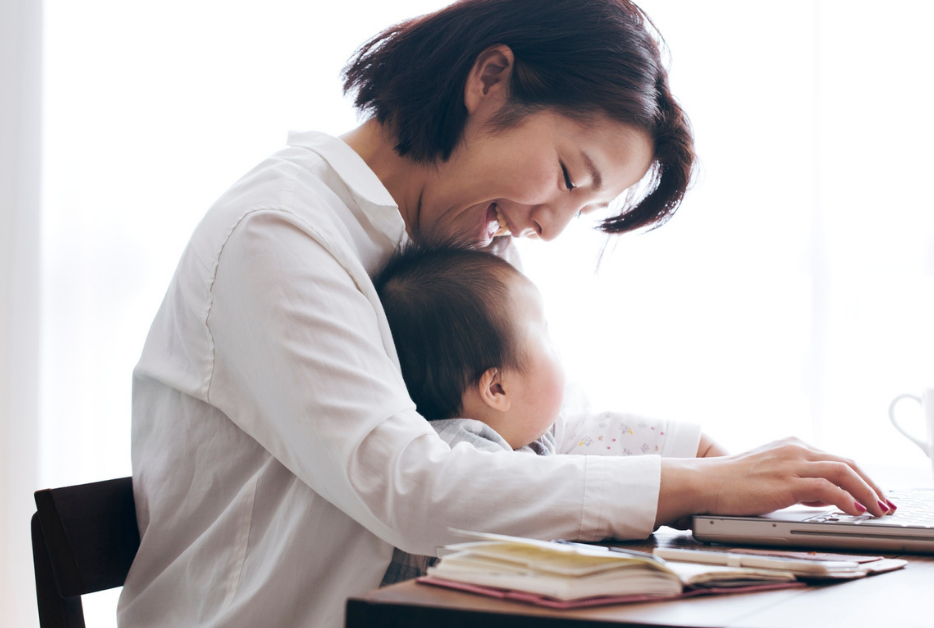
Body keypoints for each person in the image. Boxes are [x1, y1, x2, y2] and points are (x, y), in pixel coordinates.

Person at [118, 1, 894, 626]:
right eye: (566, 174)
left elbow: (547, 433)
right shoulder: (278, 234)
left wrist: (720, 465)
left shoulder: (461, 238)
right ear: (489, 78)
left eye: (581, 206)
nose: (550, 225)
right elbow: (412, 490)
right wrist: (692, 486)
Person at [373, 242, 720, 582]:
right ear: (497, 388)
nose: (559, 352)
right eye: (546, 335)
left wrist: (704, 453)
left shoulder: (529, 432)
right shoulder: (453, 454)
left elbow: (612, 433)